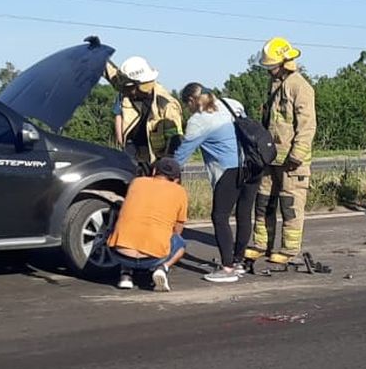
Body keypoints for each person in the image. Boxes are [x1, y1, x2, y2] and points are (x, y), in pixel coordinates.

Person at [246, 36, 317, 267]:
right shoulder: (275, 84)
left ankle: (289, 249)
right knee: (264, 201)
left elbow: (307, 126)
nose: (269, 71)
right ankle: (260, 244)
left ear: (285, 63)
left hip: (292, 161)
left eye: (271, 67)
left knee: (290, 206)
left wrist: (297, 155)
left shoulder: (300, 87)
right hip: (271, 157)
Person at [176, 83, 255, 283]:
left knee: (220, 217)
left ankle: (227, 268)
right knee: (243, 214)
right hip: (253, 165)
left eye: (188, 105)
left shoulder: (199, 120)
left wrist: (162, 172)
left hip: (228, 170)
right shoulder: (231, 104)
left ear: (192, 101)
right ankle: (238, 262)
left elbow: (182, 154)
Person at [106, 157, 189, 292]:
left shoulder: (137, 182)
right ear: (176, 179)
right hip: (152, 258)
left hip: (119, 254)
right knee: (180, 244)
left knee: (124, 229)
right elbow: (178, 228)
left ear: (154, 170)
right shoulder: (180, 191)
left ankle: (125, 274)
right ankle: (162, 268)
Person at [104, 56, 183, 171]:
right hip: (132, 152)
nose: (125, 91)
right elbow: (113, 75)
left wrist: (164, 168)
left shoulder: (166, 105)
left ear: (142, 85)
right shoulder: (130, 89)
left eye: (129, 88)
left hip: (155, 160)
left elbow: (175, 140)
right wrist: (96, 54)